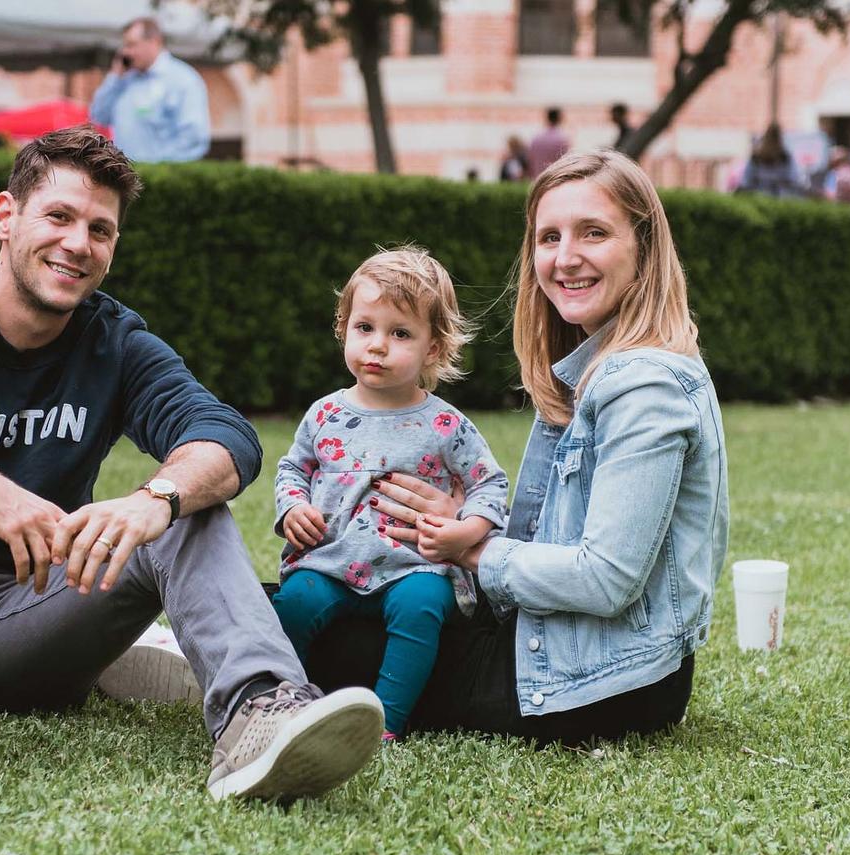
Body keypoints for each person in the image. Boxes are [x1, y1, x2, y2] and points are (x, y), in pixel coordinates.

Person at [0, 125, 382, 816]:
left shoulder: (115, 342)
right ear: (6, 217)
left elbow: (225, 436)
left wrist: (155, 499)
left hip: (34, 621)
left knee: (188, 505)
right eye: (58, 216)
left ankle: (261, 715)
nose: (77, 244)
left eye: (100, 229)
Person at [305, 150, 729, 747]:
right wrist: (461, 521)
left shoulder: (644, 387)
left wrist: (473, 550)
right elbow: (551, 542)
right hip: (563, 643)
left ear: (644, 247)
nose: (566, 257)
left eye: (594, 233)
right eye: (548, 236)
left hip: (601, 681)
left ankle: (203, 657)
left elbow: (607, 579)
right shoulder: (588, 368)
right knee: (318, 599)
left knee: (327, 635)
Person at [269, 247, 509, 741]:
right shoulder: (324, 415)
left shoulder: (446, 425)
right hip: (330, 561)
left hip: (414, 566)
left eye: (400, 333)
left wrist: (465, 532)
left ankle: (388, 720)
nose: (377, 346)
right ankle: (283, 703)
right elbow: (293, 468)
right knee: (292, 603)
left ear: (434, 349)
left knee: (421, 607)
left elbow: (490, 483)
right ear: (344, 328)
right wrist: (293, 506)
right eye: (365, 328)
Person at [88, 16, 210, 162]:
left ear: (154, 42)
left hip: (161, 178)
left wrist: (158, 168)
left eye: (132, 45)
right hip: (125, 176)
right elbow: (98, 116)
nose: (126, 53)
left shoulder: (183, 80)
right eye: (125, 46)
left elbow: (193, 139)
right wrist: (115, 77)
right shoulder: (124, 79)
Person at [736, 124, 807, 198]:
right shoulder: (756, 159)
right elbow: (794, 181)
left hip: (774, 200)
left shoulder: (785, 158)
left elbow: (745, 183)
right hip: (763, 200)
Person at [526, 107, 570, 179]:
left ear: (547, 118)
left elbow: (530, 161)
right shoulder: (562, 139)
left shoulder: (536, 138)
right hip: (555, 180)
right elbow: (566, 162)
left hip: (538, 179)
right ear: (560, 118)